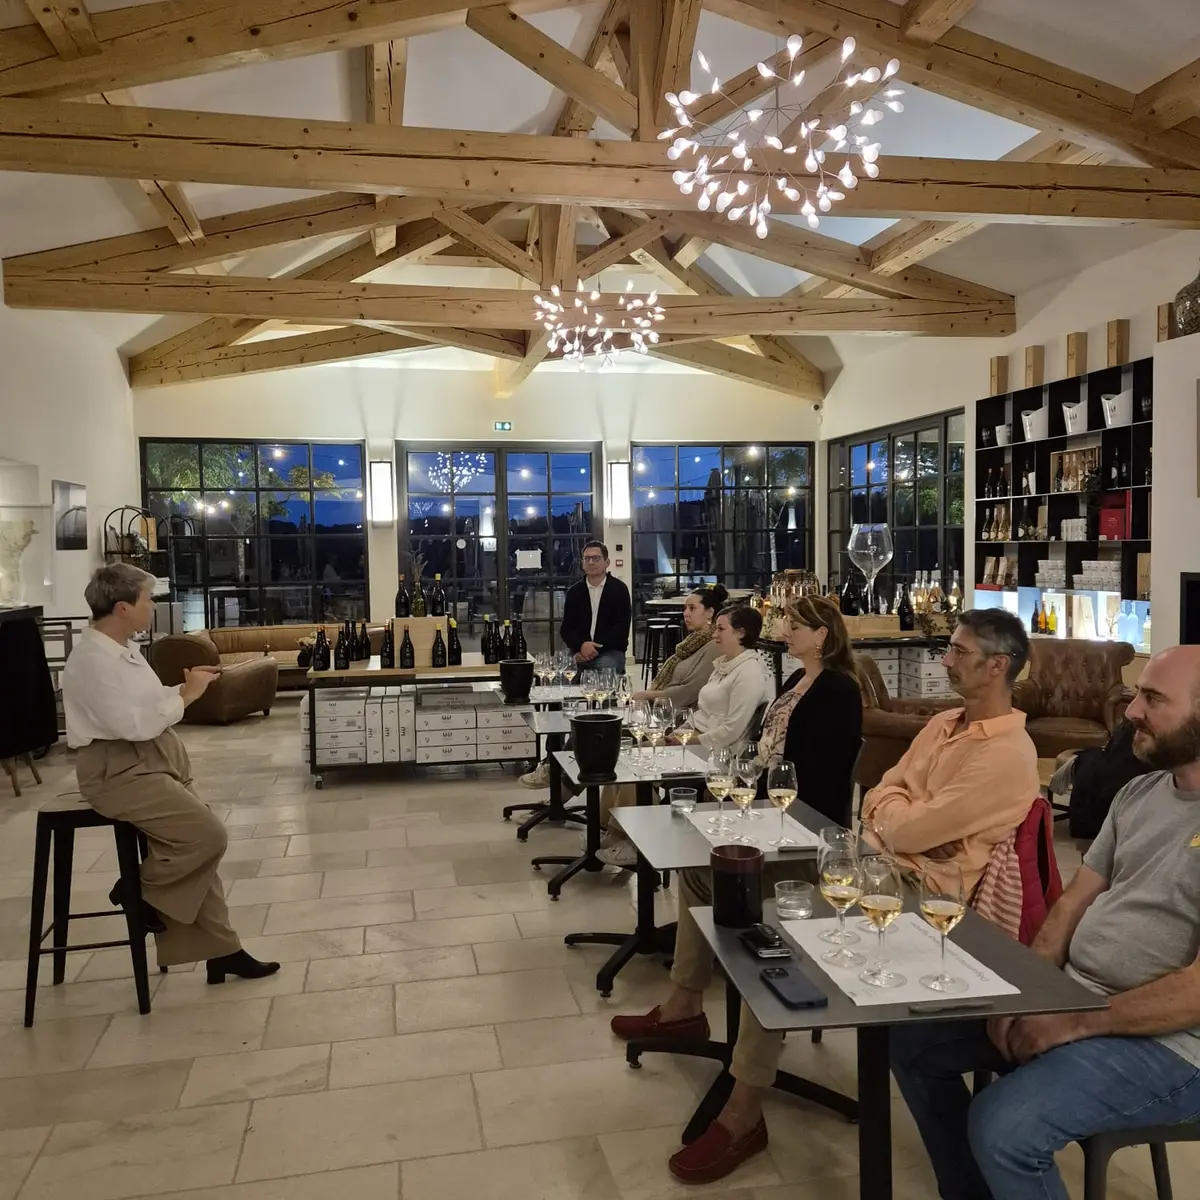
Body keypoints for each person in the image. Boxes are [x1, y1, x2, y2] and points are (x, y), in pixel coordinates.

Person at [611, 606, 1038, 1185]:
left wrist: (894, 815)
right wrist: (896, 812)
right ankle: (685, 1008)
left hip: (918, 893)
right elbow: (883, 793)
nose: (943, 660)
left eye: (957, 652)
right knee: (710, 873)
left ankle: (743, 1112)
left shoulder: (1008, 753)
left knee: (779, 940)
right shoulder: (943, 725)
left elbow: (900, 823)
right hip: (869, 862)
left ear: (998, 666)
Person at [890, 644, 1200, 1200]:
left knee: (1004, 1127)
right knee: (913, 1042)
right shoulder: (1141, 792)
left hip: (1176, 1045)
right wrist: (1030, 994)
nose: (1130, 712)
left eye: (1152, 699)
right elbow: (1071, 902)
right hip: (1081, 997)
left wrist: (1075, 1022)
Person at [63, 564, 279, 983]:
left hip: (147, 759)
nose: (154, 608)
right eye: (149, 600)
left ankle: (223, 951)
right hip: (117, 770)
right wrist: (189, 697)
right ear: (123, 607)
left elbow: (144, 704)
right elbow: (133, 726)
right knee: (207, 836)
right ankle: (137, 893)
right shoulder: (92, 661)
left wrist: (180, 690)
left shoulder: (122, 649)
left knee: (200, 852)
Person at [597, 601, 769, 866]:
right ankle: (615, 828)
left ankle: (633, 841)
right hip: (694, 738)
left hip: (714, 751)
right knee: (627, 753)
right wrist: (677, 733)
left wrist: (685, 739)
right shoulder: (724, 664)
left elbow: (731, 731)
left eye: (721, 629)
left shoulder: (749, 672)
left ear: (741, 633)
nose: (715, 635)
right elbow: (700, 713)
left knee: (639, 766)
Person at [753, 595, 863, 826]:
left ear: (821, 634)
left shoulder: (839, 689)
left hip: (805, 809)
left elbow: (824, 768)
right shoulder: (798, 677)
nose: (786, 633)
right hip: (769, 792)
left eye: (794, 627)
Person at [631, 583, 727, 708]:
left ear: (709, 612)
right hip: (667, 709)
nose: (686, 613)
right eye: (685, 608)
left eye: (692, 608)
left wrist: (648, 695)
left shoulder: (714, 645)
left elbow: (691, 691)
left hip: (686, 716)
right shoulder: (691, 643)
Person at [559, 539, 631, 674]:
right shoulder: (575, 591)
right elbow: (566, 628)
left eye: (596, 558)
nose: (591, 562)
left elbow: (621, 630)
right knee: (560, 676)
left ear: (607, 562)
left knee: (605, 673)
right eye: (587, 559)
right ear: (582, 563)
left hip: (609, 651)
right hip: (579, 651)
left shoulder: (619, 589)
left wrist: (593, 649)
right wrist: (581, 646)